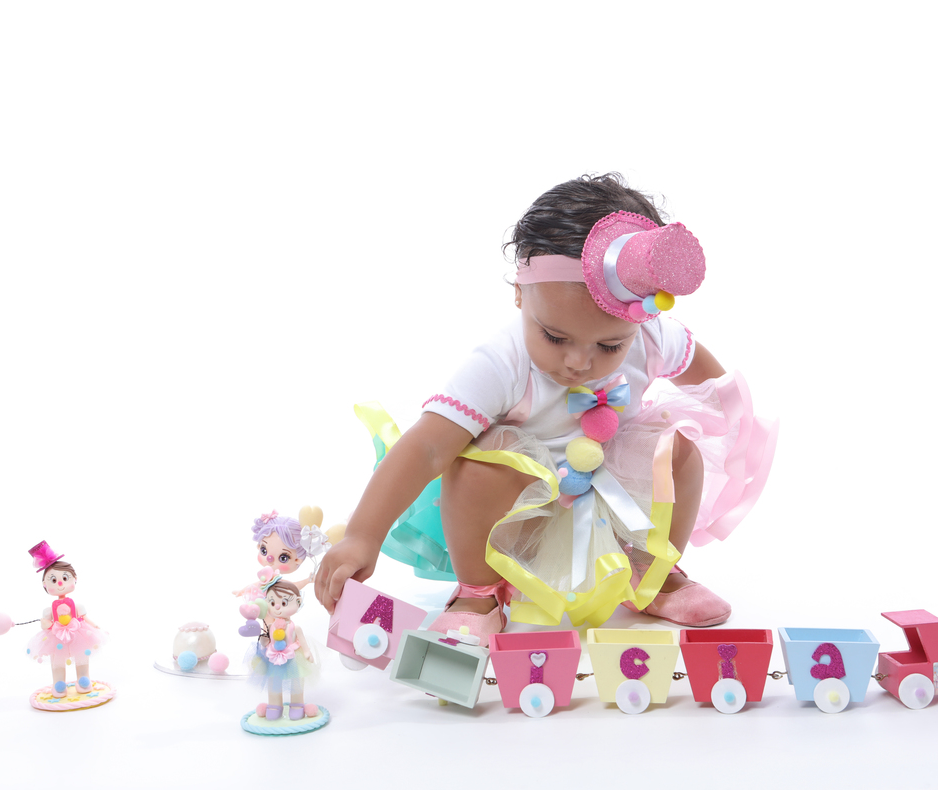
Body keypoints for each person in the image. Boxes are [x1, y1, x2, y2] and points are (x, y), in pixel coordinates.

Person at [315, 174, 777, 645]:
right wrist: (362, 536)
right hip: (517, 518)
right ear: (520, 292)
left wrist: (730, 425)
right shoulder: (501, 362)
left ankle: (651, 571)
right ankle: (479, 591)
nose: (579, 362)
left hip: (610, 502)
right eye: (555, 337)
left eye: (610, 345)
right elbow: (428, 447)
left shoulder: (652, 337)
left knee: (676, 449)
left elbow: (709, 384)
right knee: (472, 468)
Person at [25, 541, 107, 696]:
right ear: (44, 584)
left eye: (65, 578)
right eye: (53, 580)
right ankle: (59, 684)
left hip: (78, 634)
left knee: (81, 655)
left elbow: (85, 617)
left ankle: (83, 679)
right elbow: (45, 624)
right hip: (56, 637)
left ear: (75, 578)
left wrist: (94, 625)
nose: (60, 583)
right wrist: (45, 624)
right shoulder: (49, 610)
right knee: (57, 660)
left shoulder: (77, 606)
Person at [248, 580, 320, 720]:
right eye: (272, 603)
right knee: (273, 682)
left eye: (284, 603)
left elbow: (302, 642)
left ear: (298, 602)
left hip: (293, 657)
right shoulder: (271, 626)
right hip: (274, 657)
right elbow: (268, 641)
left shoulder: (295, 627)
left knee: (296, 682)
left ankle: (297, 705)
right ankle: (274, 705)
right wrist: (264, 642)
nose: (277, 607)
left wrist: (307, 652)